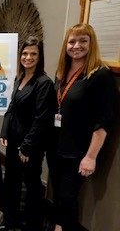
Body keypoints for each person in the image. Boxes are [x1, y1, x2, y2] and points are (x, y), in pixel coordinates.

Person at [52, 23, 117, 231]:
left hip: (77, 151)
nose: (76, 46)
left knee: (68, 197)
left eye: (83, 41)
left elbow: (104, 121)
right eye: (72, 41)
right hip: (56, 147)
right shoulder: (62, 71)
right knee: (58, 194)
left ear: (91, 44)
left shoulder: (100, 75)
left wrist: (91, 156)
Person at [0, 36, 56, 231]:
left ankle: (32, 224)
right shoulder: (20, 77)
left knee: (31, 185)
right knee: (12, 181)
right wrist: (5, 130)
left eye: (33, 53)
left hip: (30, 145)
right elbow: (12, 107)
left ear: (40, 57)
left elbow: (42, 118)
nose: (28, 57)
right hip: (14, 141)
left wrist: (27, 146)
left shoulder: (43, 82)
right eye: (24, 53)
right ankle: (11, 220)